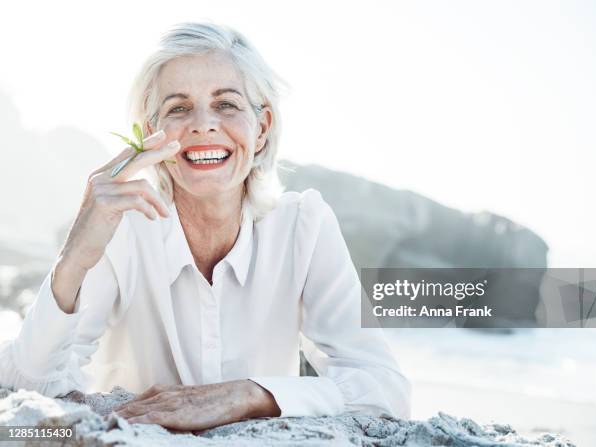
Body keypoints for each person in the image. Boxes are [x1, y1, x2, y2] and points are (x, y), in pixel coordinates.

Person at [0, 22, 411, 430]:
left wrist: (248, 394)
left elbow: (384, 388)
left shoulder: (304, 225)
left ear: (262, 127)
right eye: (178, 108)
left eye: (226, 104)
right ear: (151, 134)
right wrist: (73, 259)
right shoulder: (122, 227)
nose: (202, 124)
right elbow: (28, 386)